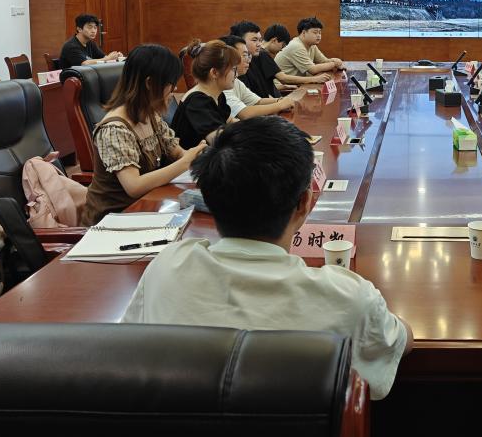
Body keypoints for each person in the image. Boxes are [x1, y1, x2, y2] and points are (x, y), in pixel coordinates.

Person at [121, 116, 413, 399]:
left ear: (207, 199)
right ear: (304, 202)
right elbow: (400, 341)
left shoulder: (167, 268)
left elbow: (130, 350)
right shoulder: (347, 296)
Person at [81, 44, 204, 226]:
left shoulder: (150, 115)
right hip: (113, 222)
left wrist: (198, 155)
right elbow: (134, 186)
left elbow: (178, 153)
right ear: (149, 83)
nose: (174, 89)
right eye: (170, 83)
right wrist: (185, 163)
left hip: (145, 210)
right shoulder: (115, 129)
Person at [170, 39, 239, 149]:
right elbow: (220, 141)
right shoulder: (197, 101)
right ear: (214, 73)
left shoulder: (217, 95)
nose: (237, 74)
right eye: (233, 69)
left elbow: (230, 121)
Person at [219, 35, 305, 119]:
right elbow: (244, 113)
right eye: (244, 55)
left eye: (248, 55)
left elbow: (258, 101)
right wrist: (280, 105)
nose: (249, 60)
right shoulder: (223, 83)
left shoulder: (236, 81)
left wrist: (279, 100)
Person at [261, 23, 329, 89]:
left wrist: (283, 87)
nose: (281, 49)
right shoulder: (262, 54)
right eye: (283, 45)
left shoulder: (261, 53)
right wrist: (314, 79)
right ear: (274, 40)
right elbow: (283, 78)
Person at [274, 17, 345, 79]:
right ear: (304, 33)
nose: (318, 35)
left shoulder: (312, 45)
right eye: (315, 32)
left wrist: (334, 60)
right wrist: (334, 64)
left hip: (297, 84)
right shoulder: (296, 46)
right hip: (283, 86)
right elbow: (313, 70)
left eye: (320, 32)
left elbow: (323, 61)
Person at [229, 20, 280, 98]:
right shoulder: (235, 68)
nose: (259, 44)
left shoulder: (257, 58)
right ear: (239, 41)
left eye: (260, 40)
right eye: (254, 40)